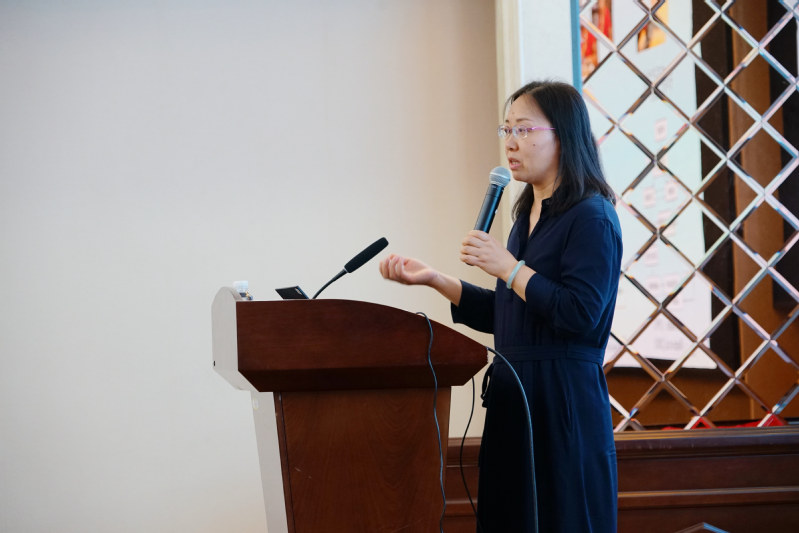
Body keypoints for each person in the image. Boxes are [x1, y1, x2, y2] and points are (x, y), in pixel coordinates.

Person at [379, 80, 621, 532]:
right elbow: (511, 315)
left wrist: (510, 268)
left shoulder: (592, 216)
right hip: (514, 396)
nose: (510, 142)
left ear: (564, 135)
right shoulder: (525, 217)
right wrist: (435, 279)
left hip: (562, 401)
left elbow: (579, 314)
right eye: (506, 129)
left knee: (561, 518)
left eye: (524, 129)